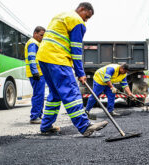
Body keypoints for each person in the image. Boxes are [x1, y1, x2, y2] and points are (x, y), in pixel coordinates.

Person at [36, 2, 108, 136]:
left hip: (43, 58)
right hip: (58, 59)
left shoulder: (61, 15)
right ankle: (85, 126)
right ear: (81, 9)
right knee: (71, 93)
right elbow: (76, 49)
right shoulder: (77, 21)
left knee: (55, 94)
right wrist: (81, 73)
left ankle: (46, 126)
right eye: (86, 16)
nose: (85, 20)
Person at [24, 26, 46, 124]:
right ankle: (35, 117)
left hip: (38, 73)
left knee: (40, 95)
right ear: (35, 34)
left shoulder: (37, 43)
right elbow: (31, 58)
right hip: (36, 73)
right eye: (41, 35)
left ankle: (38, 115)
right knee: (38, 95)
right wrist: (35, 72)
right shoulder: (33, 43)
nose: (42, 37)